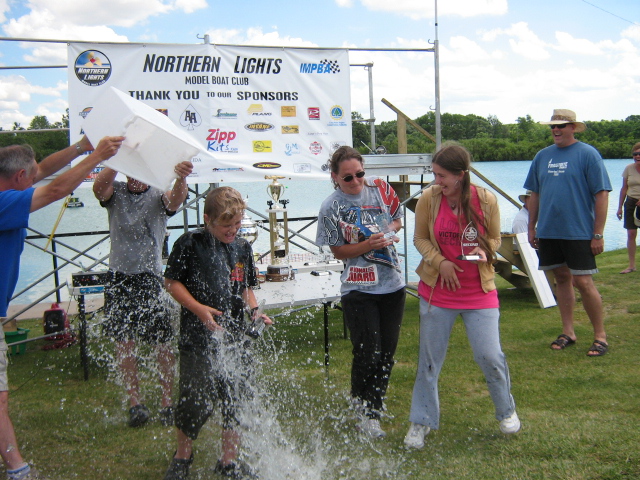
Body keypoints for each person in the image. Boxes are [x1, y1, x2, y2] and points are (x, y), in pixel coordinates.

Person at [0, 135, 123, 480]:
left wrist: (81, 147)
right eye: (31, 174)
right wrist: (97, 156)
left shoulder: (9, 185)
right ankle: (17, 469)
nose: (37, 175)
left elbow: (42, 172)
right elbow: (54, 190)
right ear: (19, 179)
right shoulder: (4, 201)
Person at [403, 143, 519, 449]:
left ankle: (506, 411)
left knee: (490, 356)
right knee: (429, 362)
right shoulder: (430, 198)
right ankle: (421, 422)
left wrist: (486, 250)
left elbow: (496, 237)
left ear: (461, 175)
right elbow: (419, 238)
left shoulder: (486, 199)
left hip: (478, 292)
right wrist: (440, 263)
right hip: (436, 293)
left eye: (441, 175)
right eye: (434, 173)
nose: (435, 180)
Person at [162, 186, 272, 480]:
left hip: (235, 337)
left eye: (238, 224)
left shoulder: (242, 248)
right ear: (208, 219)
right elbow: (172, 283)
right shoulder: (189, 243)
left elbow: (247, 288)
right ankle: (183, 456)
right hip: (197, 336)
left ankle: (228, 460)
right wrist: (199, 308)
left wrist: (255, 312)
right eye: (227, 225)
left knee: (235, 396)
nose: (233, 230)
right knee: (194, 398)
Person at [92, 161, 193, 427]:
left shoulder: (159, 193)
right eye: (130, 172)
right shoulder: (116, 191)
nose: (135, 179)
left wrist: (181, 178)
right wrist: (115, 160)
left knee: (162, 343)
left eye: (140, 173)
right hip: (119, 277)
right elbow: (98, 188)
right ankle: (135, 403)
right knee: (124, 342)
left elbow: (176, 200)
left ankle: (166, 402)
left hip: (151, 278)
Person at [316, 146, 406, 439]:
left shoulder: (380, 189)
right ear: (334, 178)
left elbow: (397, 220)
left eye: (359, 174)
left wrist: (386, 230)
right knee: (368, 351)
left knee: (386, 354)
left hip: (392, 283)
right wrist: (368, 244)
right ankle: (360, 403)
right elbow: (338, 251)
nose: (355, 181)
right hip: (357, 286)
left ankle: (373, 411)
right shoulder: (331, 206)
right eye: (347, 178)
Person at [524, 109, 612, 357]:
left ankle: (600, 336)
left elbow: (602, 194)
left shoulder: (588, 154)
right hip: (550, 231)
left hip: (579, 231)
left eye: (561, 126)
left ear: (573, 127)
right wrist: (532, 227)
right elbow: (535, 194)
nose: (556, 130)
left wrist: (598, 233)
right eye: (553, 126)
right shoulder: (542, 157)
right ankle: (568, 332)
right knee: (561, 278)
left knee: (583, 281)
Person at [615, 142, 640, 274]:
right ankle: (631, 265)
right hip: (631, 203)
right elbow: (624, 188)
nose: (637, 156)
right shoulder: (628, 168)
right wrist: (619, 208)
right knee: (631, 233)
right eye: (635, 154)